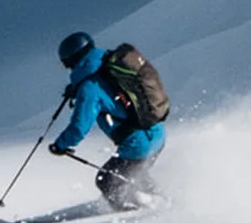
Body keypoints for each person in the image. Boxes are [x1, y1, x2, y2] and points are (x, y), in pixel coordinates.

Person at [49, 31, 166, 210]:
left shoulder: (89, 88)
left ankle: (129, 215)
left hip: (139, 143)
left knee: (105, 181)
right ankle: (164, 200)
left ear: (72, 61)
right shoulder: (108, 63)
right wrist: (76, 87)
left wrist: (61, 145)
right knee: (135, 175)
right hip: (157, 133)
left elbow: (80, 126)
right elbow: (106, 88)